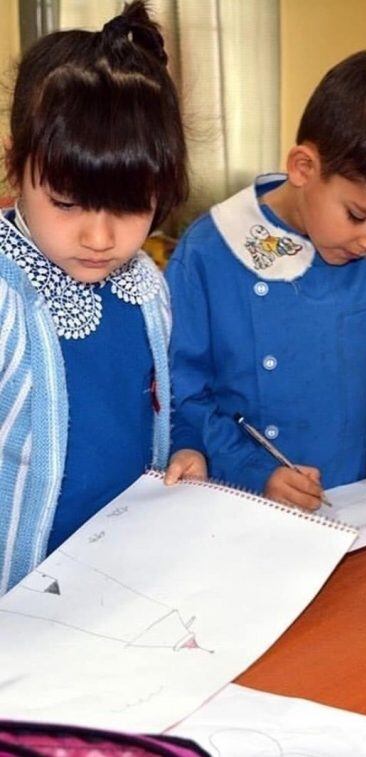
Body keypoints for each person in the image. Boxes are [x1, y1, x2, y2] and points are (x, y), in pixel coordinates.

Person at [165, 50, 366, 509]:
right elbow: (184, 391)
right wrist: (252, 468)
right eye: (358, 216)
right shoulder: (210, 251)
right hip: (240, 497)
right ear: (303, 168)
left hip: (362, 494)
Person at [0, 1, 198, 595]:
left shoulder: (146, 286)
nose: (100, 238)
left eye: (131, 206)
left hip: (115, 581)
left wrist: (181, 450)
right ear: (15, 168)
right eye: (67, 202)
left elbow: (152, 408)